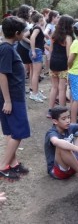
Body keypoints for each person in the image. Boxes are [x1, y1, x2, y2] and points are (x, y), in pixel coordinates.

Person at [0, 16, 31, 181]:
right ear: (17, 33)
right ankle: (3, 167)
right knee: (19, 132)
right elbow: (2, 75)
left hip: (14, 96)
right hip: (12, 97)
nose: (26, 33)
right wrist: (8, 100)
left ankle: (13, 164)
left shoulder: (9, 47)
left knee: (12, 131)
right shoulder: (6, 49)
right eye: (24, 31)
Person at [47, 15, 74, 118]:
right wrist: (70, 66)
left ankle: (50, 110)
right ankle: (62, 112)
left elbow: (50, 50)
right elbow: (68, 55)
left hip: (53, 63)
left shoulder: (53, 35)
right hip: (63, 64)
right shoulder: (68, 37)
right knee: (62, 89)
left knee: (54, 87)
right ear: (68, 25)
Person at [29, 12, 46, 103]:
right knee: (36, 74)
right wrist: (33, 50)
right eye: (43, 19)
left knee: (37, 73)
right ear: (40, 20)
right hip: (37, 52)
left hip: (37, 51)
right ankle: (34, 94)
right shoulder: (37, 28)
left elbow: (25, 36)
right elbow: (32, 37)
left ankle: (36, 92)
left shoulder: (33, 27)